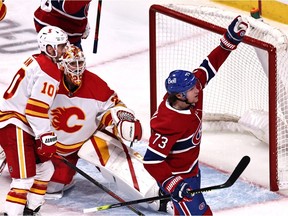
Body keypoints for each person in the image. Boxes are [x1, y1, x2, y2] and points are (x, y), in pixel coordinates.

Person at [143, 15, 248, 215]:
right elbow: (151, 160)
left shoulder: (191, 92)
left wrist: (228, 42)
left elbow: (209, 66)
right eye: (192, 89)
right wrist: (173, 184)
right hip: (179, 177)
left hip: (191, 169)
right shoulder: (168, 122)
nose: (197, 89)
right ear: (180, 95)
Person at [45, 44, 167, 212]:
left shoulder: (94, 83)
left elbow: (115, 106)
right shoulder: (49, 81)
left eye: (80, 63)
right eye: (73, 64)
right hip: (54, 146)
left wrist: (125, 120)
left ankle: (159, 192)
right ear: (62, 65)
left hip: (89, 137)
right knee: (52, 187)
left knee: (121, 163)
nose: (78, 68)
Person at [0, 26, 68, 215]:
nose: (64, 51)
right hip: (14, 124)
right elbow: (34, 110)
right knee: (24, 179)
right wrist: (46, 137)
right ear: (49, 48)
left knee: (46, 170)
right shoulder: (49, 70)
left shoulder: (38, 61)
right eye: (60, 47)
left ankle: (31, 210)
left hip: (18, 122)